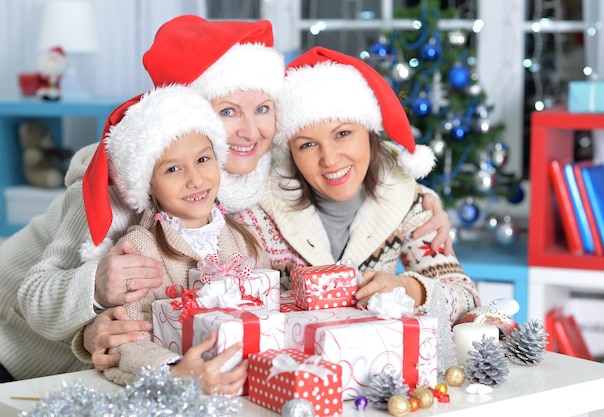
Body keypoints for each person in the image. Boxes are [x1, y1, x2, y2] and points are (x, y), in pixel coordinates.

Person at [10, 17, 450, 381]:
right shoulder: (120, 181)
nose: (250, 131)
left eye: (262, 109)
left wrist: (421, 194)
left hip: (145, 372)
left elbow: (336, 153)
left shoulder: (259, 171)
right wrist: (93, 302)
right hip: (17, 351)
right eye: (227, 112)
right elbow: (33, 296)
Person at [239, 46, 479, 322]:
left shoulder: (409, 200)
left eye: (342, 133)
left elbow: (466, 298)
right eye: (307, 144)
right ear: (290, 152)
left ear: (368, 131)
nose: (329, 159)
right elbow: (237, 311)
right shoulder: (259, 213)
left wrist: (409, 289)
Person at [89, 84, 266, 393]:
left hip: (245, 383)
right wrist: (175, 370)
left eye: (203, 160)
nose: (195, 179)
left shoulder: (244, 238)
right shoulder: (139, 249)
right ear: (148, 186)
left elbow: (272, 308)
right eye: (172, 169)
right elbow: (127, 337)